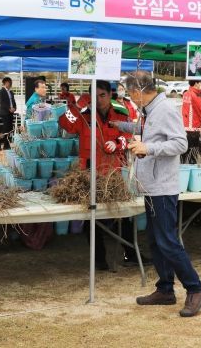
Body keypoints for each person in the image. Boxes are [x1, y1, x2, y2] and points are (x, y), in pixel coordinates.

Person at [114, 71, 201, 317]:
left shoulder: (164, 109)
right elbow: (156, 137)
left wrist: (149, 147)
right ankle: (165, 288)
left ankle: (195, 288)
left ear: (138, 91)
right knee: (156, 241)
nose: (131, 99)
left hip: (163, 187)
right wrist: (126, 131)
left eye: (130, 94)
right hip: (152, 186)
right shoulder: (151, 111)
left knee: (167, 240)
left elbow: (181, 143)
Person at [58, 81, 146, 268]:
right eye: (94, 96)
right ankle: (99, 260)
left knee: (123, 214)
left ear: (110, 94)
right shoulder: (83, 115)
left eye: (102, 95)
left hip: (113, 173)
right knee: (92, 217)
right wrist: (77, 106)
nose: (99, 100)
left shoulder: (120, 112)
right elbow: (64, 124)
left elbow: (129, 136)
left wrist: (118, 143)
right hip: (89, 174)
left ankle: (130, 255)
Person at [182, 80, 201, 150]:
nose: (200, 84)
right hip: (194, 125)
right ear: (196, 83)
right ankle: (192, 157)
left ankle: (186, 156)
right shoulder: (194, 95)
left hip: (186, 124)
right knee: (194, 147)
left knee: (188, 145)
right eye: (200, 83)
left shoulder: (186, 94)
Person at [0, 76, 16, 150]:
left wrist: (14, 108)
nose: (10, 84)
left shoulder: (11, 92)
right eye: (9, 82)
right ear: (5, 83)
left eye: (11, 82)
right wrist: (9, 108)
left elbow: (13, 102)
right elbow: (1, 102)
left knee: (9, 129)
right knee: (6, 128)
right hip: (4, 112)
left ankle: (6, 145)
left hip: (11, 113)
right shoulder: (1, 92)